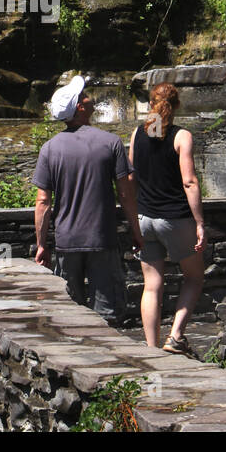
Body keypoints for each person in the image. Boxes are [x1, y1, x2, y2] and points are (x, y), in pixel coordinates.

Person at [32, 75, 144, 324]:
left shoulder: (49, 149)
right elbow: (126, 194)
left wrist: (41, 244)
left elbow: (43, 202)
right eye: (84, 96)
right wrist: (137, 232)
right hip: (102, 240)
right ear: (80, 108)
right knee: (108, 315)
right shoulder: (110, 142)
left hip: (66, 241)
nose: (90, 98)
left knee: (68, 314)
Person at [129, 82, 205, 355]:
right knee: (194, 277)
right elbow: (189, 182)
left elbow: (131, 177)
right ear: (176, 106)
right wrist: (199, 222)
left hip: (144, 218)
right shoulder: (181, 136)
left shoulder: (137, 134)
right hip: (175, 217)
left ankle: (150, 349)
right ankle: (175, 336)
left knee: (152, 285)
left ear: (151, 104)